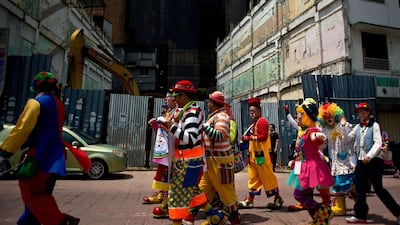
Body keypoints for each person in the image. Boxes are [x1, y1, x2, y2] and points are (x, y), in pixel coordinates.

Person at [0, 71, 80, 225]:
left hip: (39, 157)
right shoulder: (59, 105)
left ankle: (62, 221)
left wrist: (4, 153)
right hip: (56, 158)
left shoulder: (36, 103)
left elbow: (22, 129)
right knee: (40, 197)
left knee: (31, 195)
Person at [162, 80, 213, 225]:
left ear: (184, 96)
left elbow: (190, 138)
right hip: (188, 161)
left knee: (176, 197)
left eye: (176, 95)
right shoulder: (187, 111)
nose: (174, 98)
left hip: (187, 162)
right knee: (194, 192)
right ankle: (215, 216)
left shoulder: (191, 114)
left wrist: (172, 127)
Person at [345, 102, 400, 224]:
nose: (361, 114)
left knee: (378, 189)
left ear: (368, 113)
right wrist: (343, 127)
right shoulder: (357, 127)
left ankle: (398, 213)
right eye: (359, 112)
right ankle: (360, 215)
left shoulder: (374, 126)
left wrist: (369, 156)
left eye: (363, 112)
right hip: (361, 161)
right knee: (359, 189)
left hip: (374, 161)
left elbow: (378, 143)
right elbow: (348, 138)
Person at [286, 98, 334, 225]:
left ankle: (323, 211)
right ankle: (319, 219)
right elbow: (303, 152)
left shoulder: (312, 131)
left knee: (299, 195)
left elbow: (318, 137)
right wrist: (294, 162)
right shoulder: (304, 131)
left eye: (300, 115)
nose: (297, 117)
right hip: (303, 166)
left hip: (311, 167)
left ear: (307, 116)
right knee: (305, 196)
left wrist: (319, 137)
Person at [199, 91, 240, 225]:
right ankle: (219, 213)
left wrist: (203, 126)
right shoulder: (214, 116)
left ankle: (234, 217)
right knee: (203, 189)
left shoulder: (222, 116)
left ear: (213, 103)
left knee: (226, 190)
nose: (208, 104)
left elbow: (219, 135)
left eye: (210, 102)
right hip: (210, 160)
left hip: (220, 161)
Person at [238, 97, 284, 210]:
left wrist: (248, 138)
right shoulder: (254, 123)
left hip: (261, 156)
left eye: (253, 111)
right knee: (253, 177)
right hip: (254, 156)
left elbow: (263, 137)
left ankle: (278, 198)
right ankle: (250, 200)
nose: (251, 113)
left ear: (259, 110)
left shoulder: (262, 122)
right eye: (250, 111)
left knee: (267, 177)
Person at [143, 89, 177, 218]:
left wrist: (163, 124)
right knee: (164, 175)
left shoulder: (177, 112)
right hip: (167, 150)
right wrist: (156, 125)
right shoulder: (169, 112)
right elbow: (165, 132)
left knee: (170, 177)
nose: (166, 100)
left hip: (174, 151)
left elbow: (174, 131)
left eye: (168, 97)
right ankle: (163, 198)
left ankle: (166, 204)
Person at [317, 102, 355, 216]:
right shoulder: (326, 130)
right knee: (338, 184)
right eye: (325, 116)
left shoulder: (342, 126)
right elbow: (323, 145)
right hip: (334, 162)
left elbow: (350, 138)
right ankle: (341, 207)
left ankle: (359, 204)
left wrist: (344, 124)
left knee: (347, 183)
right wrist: (319, 140)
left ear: (335, 115)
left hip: (346, 161)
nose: (328, 118)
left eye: (330, 115)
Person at [283, 104, 306, 212]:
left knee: (306, 181)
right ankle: (303, 202)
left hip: (307, 160)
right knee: (298, 179)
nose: (297, 118)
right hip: (299, 159)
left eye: (300, 116)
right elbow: (292, 121)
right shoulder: (300, 127)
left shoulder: (312, 128)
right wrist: (287, 112)